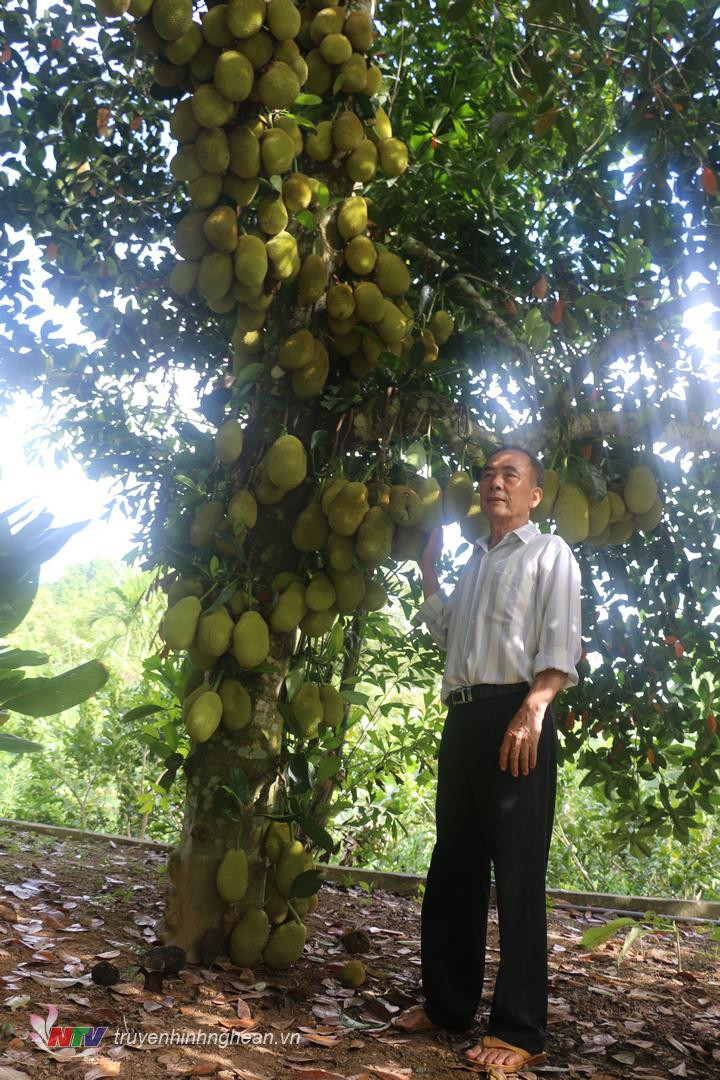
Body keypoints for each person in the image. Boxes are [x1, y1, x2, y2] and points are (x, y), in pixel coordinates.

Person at [392, 446, 582, 1074]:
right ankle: (448, 1005)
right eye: (489, 474)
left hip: (516, 716)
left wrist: (536, 706)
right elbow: (452, 634)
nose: (495, 483)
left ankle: (521, 1030)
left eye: (511, 475)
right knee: (455, 866)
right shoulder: (475, 561)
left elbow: (559, 639)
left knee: (519, 873)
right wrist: (430, 579)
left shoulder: (549, 552)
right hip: (465, 716)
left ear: (534, 493)